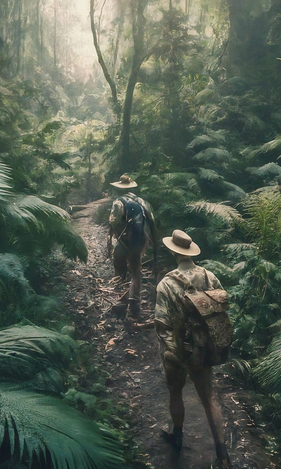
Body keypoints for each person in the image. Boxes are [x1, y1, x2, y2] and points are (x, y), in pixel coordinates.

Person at [155, 229, 231, 468]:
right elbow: (222, 309)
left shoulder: (166, 284)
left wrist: (175, 353)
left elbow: (162, 324)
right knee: (209, 398)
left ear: (172, 250)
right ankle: (223, 454)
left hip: (178, 350)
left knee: (176, 393)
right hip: (204, 348)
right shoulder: (210, 276)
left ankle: (177, 436)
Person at [107, 174, 156, 319]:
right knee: (136, 270)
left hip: (124, 241)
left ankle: (121, 302)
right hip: (140, 240)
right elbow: (150, 220)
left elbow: (114, 222)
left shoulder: (118, 202)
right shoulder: (141, 201)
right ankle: (134, 299)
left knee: (120, 269)